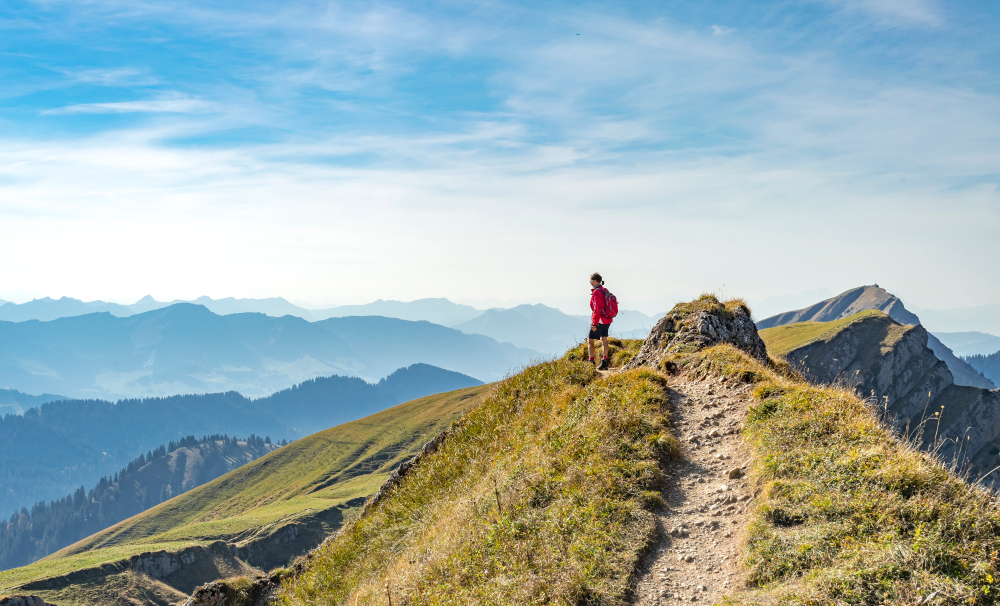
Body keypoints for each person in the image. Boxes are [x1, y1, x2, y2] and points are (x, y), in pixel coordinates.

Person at [588, 272, 612, 370]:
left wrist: (594, 323)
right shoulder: (604, 290)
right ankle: (604, 362)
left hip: (600, 320)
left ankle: (591, 361)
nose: (590, 283)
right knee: (604, 340)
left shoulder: (597, 292)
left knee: (590, 341)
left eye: (590, 281)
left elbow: (597, 308)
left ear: (594, 281)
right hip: (607, 319)